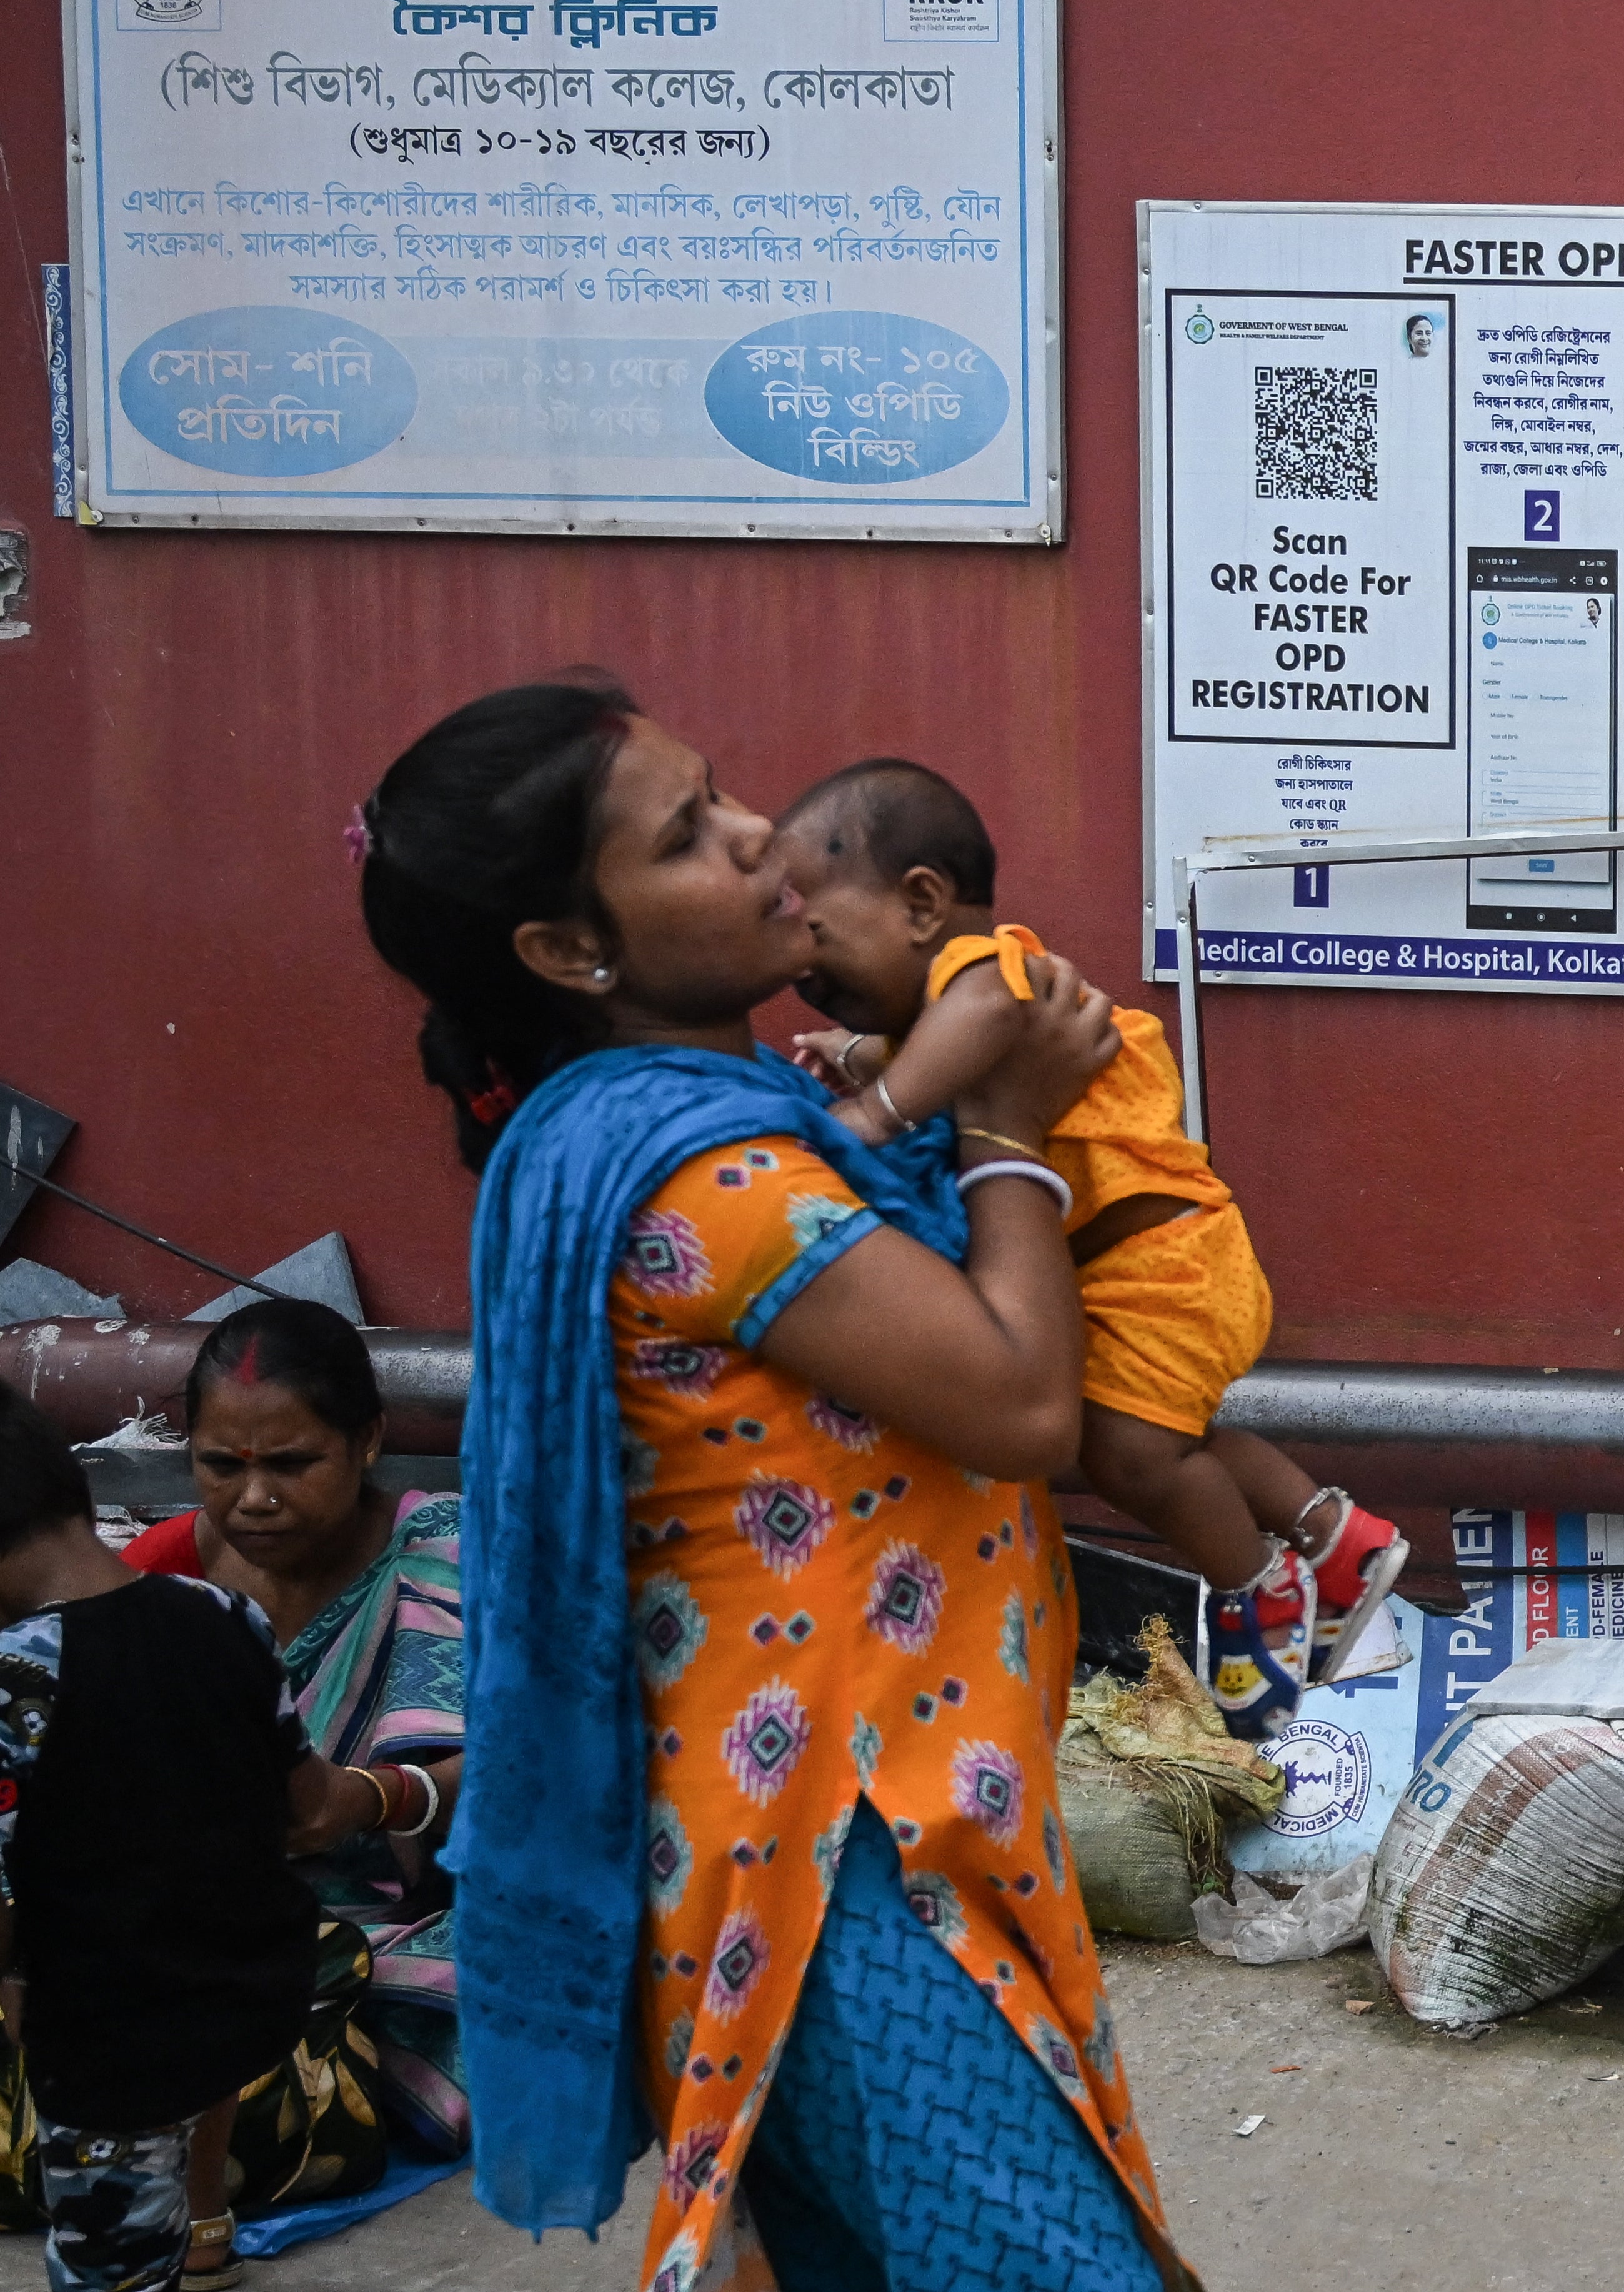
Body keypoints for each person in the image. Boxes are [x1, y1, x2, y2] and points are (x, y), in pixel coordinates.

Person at [354, 675, 1188, 2292]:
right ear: (568, 950)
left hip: (819, 1826)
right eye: (686, 835)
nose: (757, 835)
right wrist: (1011, 1118)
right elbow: (1018, 1399)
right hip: (840, 1863)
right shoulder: (720, 1179)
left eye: (721, 789)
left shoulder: (679, 1122)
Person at [770, 759, 1407, 1740]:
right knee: (1144, 1442)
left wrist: (871, 1113)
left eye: (817, 935)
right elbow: (937, 1048)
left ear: (921, 902)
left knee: (1133, 1450)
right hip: (1136, 1267)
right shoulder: (952, 1005)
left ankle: (1260, 1587)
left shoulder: (988, 974)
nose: (804, 968)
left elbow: (973, 1023)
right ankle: (1338, 1539)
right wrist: (853, 1052)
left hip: (1165, 1262)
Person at [0, 1387, 346, 2292]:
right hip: (251, 1994)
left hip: (108, 2047)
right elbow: (307, 1803)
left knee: (108, 2263)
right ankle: (203, 2229)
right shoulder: (223, 1614)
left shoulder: (18, 1675)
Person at [121, 1300, 467, 2161]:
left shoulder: (445, 1550)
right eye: (220, 1466)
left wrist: (374, 1796)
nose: (257, 1497)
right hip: (230, 1917)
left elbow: (547, 1761)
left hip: (419, 1919)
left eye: (293, 1462)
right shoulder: (166, 1570)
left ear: (369, 1440)